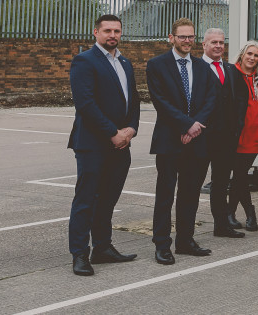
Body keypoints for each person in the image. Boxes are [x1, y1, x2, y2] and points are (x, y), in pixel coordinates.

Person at [67, 14, 140, 276]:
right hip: (93, 143)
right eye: (107, 30)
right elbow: (85, 103)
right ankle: (79, 254)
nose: (113, 35)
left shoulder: (125, 62)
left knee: (108, 199)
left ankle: (102, 248)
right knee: (86, 200)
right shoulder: (84, 61)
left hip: (121, 144)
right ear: (96, 32)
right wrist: (112, 132)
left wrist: (131, 129)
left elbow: (134, 100)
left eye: (117, 30)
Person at [147, 18, 218, 265]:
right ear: (172, 38)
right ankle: (162, 245)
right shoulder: (157, 65)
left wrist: (195, 126)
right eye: (182, 37)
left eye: (190, 37)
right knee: (165, 194)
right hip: (170, 139)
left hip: (197, 140)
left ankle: (185, 241)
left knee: (189, 194)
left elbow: (211, 99)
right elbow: (161, 101)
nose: (187, 41)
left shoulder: (202, 67)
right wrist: (185, 124)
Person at [224, 40, 258, 233]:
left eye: (256, 56)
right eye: (250, 54)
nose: (252, 58)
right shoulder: (231, 73)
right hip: (237, 133)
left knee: (239, 174)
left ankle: (234, 213)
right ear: (242, 54)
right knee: (239, 174)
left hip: (256, 133)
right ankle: (246, 213)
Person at [201, 28, 245, 239]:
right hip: (201, 137)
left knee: (220, 183)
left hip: (226, 138)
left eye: (221, 42)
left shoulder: (231, 69)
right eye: (214, 42)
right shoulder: (196, 68)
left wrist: (237, 128)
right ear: (204, 45)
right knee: (194, 184)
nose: (218, 46)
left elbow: (240, 101)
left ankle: (222, 225)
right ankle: (186, 232)